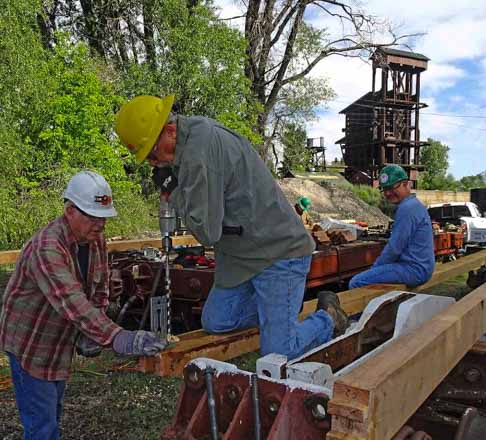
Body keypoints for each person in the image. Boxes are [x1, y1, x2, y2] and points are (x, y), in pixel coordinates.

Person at [114, 95, 346, 359]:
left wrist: (174, 192)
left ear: (169, 130)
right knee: (217, 322)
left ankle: (328, 319)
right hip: (241, 256)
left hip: (278, 252)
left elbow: (207, 232)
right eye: (147, 159)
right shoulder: (190, 137)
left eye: (152, 153)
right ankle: (277, 315)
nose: (153, 163)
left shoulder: (199, 155)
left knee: (279, 350)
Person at [0, 171, 167, 440]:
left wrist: (100, 319)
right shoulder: (47, 248)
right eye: (94, 217)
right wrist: (118, 337)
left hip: (58, 343)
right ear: (69, 211)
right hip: (31, 345)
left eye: (104, 218)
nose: (101, 225)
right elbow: (72, 302)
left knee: (53, 415)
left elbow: (100, 283)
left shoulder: (93, 238)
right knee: (41, 426)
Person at [349, 164, 435, 289]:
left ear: (406, 184)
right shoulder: (413, 205)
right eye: (385, 189)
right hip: (419, 267)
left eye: (392, 188)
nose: (388, 193)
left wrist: (375, 269)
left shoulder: (407, 209)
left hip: (414, 270)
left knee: (356, 282)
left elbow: (394, 248)